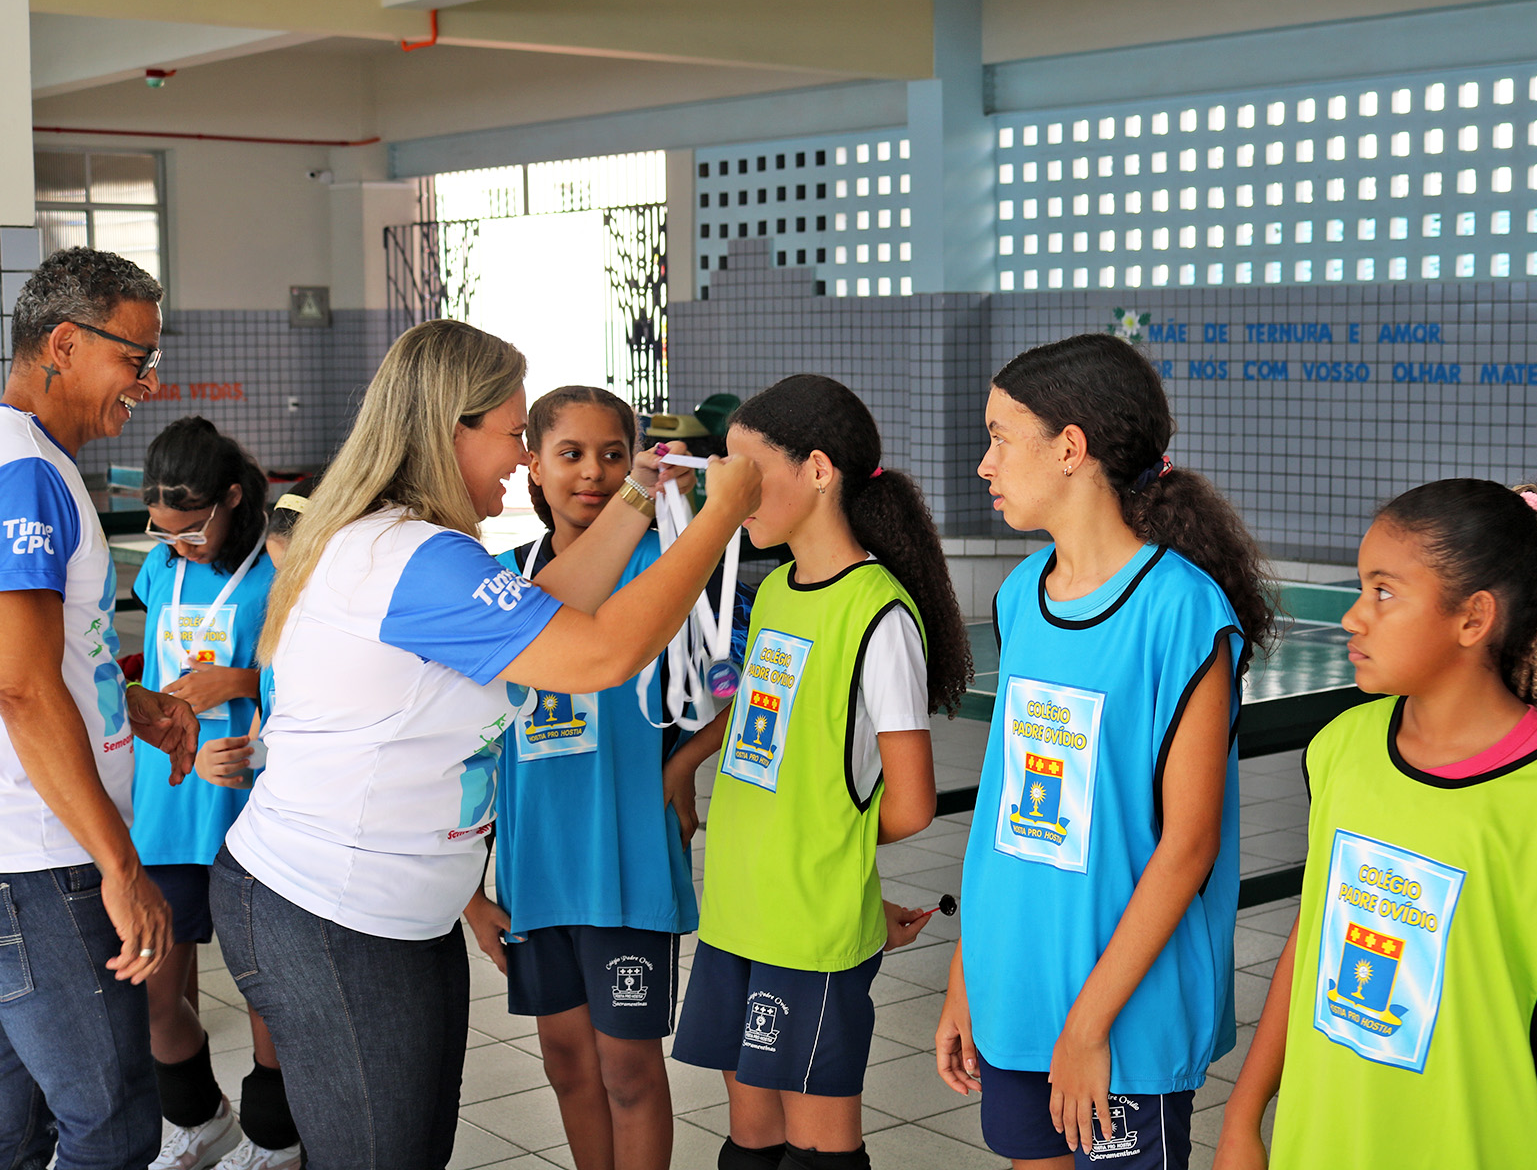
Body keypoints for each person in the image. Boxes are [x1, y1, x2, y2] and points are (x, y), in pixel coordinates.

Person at [207, 319, 761, 1170]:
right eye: (512, 433)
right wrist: (717, 519)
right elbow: (599, 653)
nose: (520, 456)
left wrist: (639, 500)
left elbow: (549, 604)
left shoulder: (412, 545)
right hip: (332, 913)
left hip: (385, 913)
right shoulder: (412, 556)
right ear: (449, 430)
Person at [936, 334, 1275, 1169]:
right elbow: (1005, 812)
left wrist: (1089, 1028)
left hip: (1124, 1014)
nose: (985, 464)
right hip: (1018, 990)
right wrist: (968, 974)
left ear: (1070, 448)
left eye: (999, 438)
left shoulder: (1182, 611)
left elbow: (1189, 844)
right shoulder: (1022, 595)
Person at [1216, 479, 1537, 1170]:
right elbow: (1313, 939)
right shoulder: (1342, 747)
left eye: (1384, 592)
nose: (1354, 616)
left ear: (1473, 618)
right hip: (1325, 1140)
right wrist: (1244, 1115)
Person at [672, 373, 973, 1170]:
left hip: (807, 928)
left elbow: (910, 804)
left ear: (816, 470)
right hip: (737, 908)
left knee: (817, 1150)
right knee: (751, 1140)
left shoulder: (878, 613)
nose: (732, 493)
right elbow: (774, 748)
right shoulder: (775, 589)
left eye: (748, 473)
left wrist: (836, 873)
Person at [464, 385, 748, 1170]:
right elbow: (458, 740)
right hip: (534, 869)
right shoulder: (501, 580)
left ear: (639, 467)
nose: (593, 472)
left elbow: (745, 687)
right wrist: (470, 893)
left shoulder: (671, 564)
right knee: (566, 1063)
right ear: (533, 466)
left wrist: (682, 767)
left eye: (613, 454)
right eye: (571, 453)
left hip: (626, 861)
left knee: (628, 1069)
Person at [0, 246, 198, 1168]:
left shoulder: (24, 462)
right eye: (135, 358)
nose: (148, 384)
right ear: (66, 345)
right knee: (110, 1130)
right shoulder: (26, 472)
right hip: (45, 861)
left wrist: (128, 700)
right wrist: (119, 865)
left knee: (16, 1131)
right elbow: (21, 685)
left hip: (20, 857)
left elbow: (41, 661)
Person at [133, 424, 300, 1170]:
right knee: (155, 990)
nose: (179, 544)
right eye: (163, 530)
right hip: (166, 808)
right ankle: (199, 1119)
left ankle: (274, 1135)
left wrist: (240, 682)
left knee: (265, 989)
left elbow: (316, 676)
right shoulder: (159, 570)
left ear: (232, 498)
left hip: (249, 804)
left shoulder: (278, 571)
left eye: (192, 529)